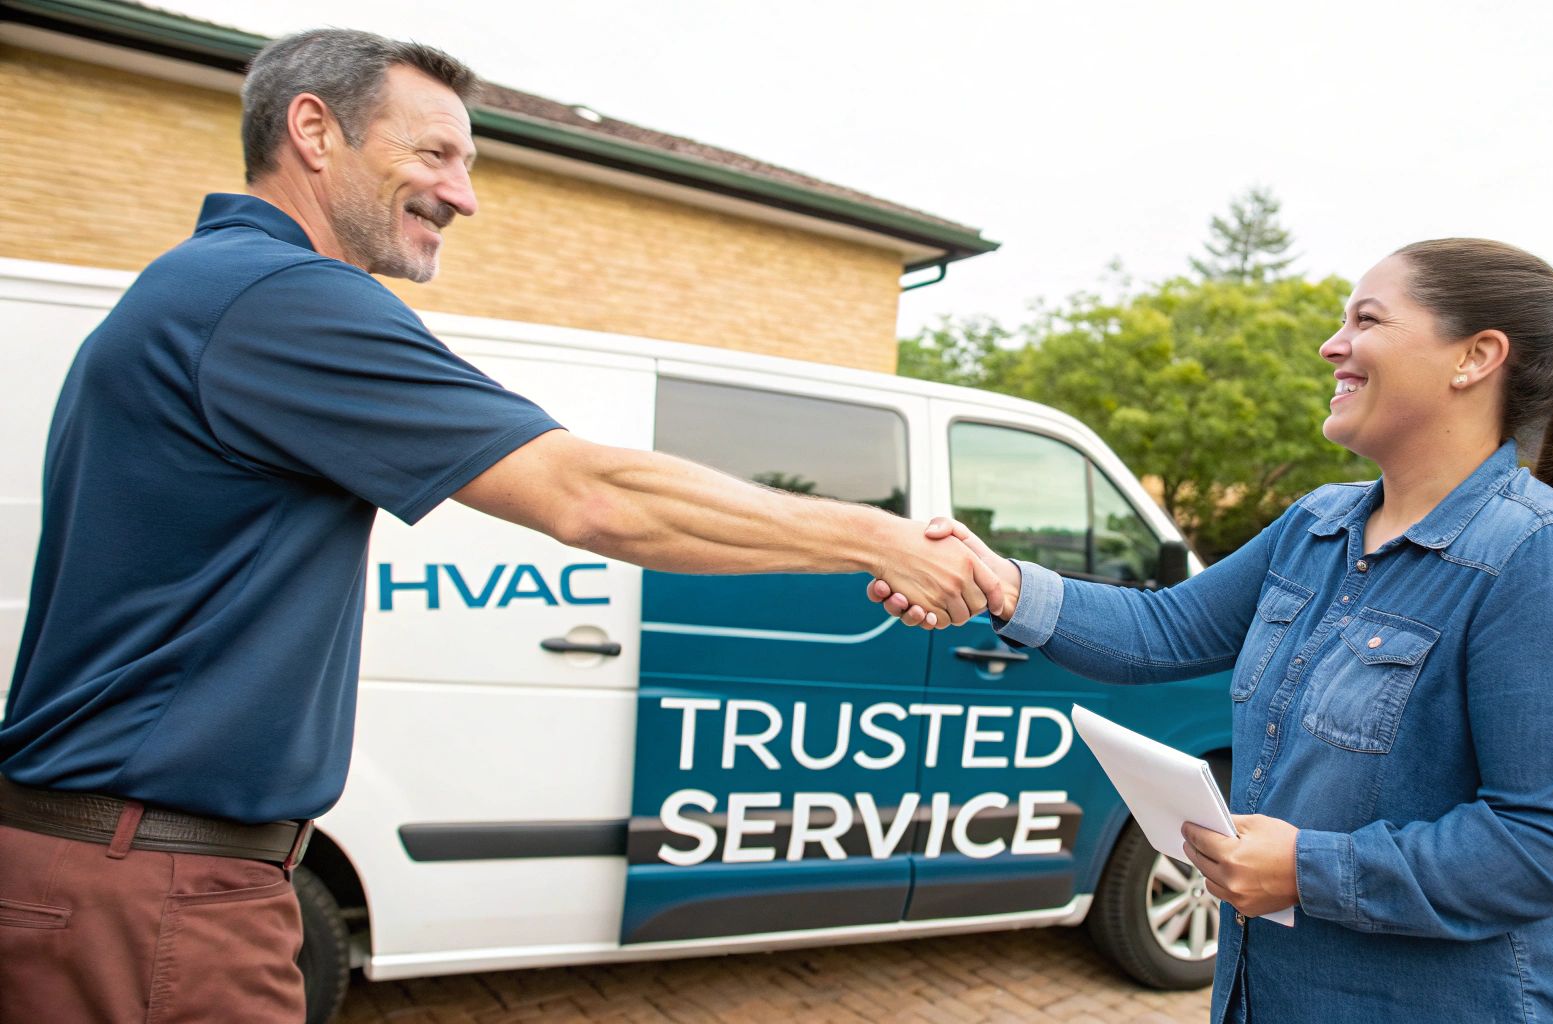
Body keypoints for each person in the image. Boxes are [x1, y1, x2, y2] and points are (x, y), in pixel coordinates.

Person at [0, 29, 996, 1023]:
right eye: (433, 154)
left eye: (466, 164)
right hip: (157, 896)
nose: (463, 194)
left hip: (117, 873)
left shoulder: (203, 287)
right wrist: (877, 537)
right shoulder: (282, 299)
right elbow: (592, 493)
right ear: (313, 130)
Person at [874, 239, 1553, 1023]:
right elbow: (1164, 629)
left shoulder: (1548, 561)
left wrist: (1307, 869)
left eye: (1368, 319)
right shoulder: (1316, 524)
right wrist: (997, 584)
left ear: (1476, 357)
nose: (1333, 344)